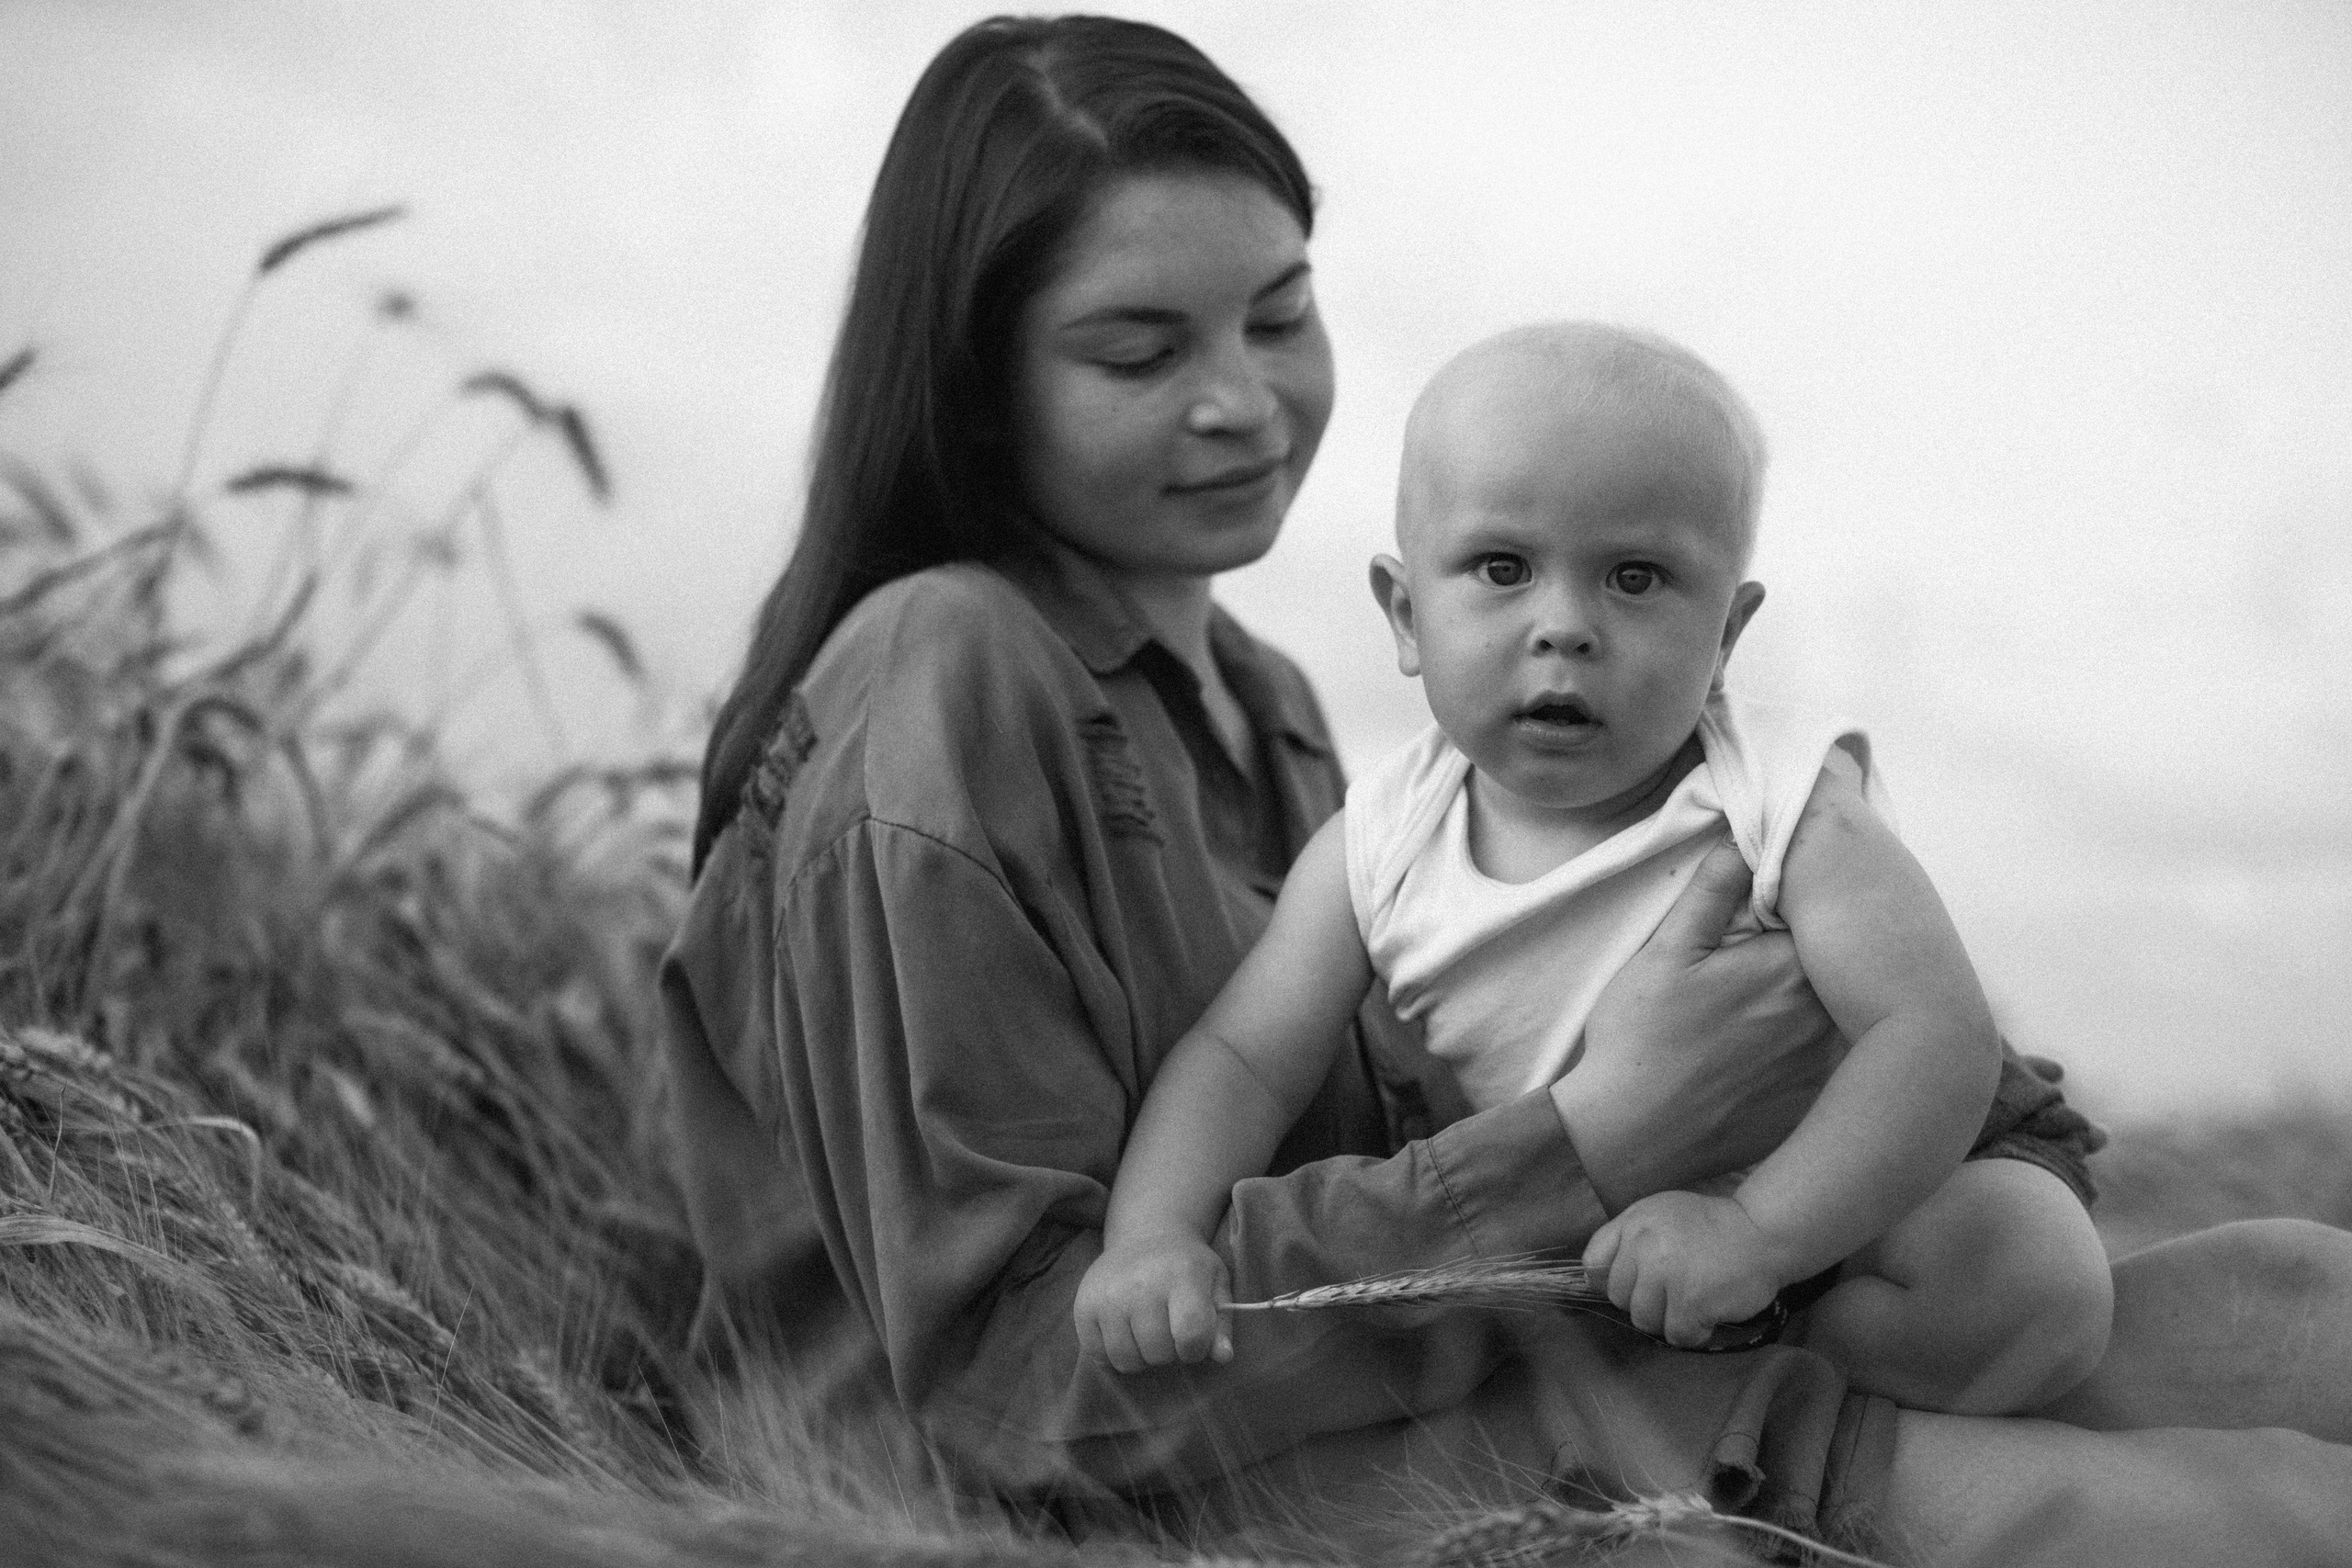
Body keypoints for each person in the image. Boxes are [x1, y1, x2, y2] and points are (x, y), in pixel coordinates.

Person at [661, 13, 2352, 1564]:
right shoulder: (937, 677)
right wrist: (1599, 1136)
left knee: (2291, 1293)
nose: (1244, 401)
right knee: (2229, 1518)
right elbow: (1023, 1384)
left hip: (1517, 1328)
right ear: (976, 379)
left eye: (1281, 310)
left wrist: (1772, 1141)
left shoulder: (1273, 713)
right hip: (1142, 1483)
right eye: (1135, 350)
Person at [1074, 321, 2113, 1416]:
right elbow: (1242, 1058)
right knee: (1506, 1347)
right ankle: (1736, 1379)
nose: (1564, 626)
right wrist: (1151, 1237)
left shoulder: (1780, 795)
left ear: (1725, 632)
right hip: (1616, 1232)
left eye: (1636, 577)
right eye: (1502, 568)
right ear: (1404, 612)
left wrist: (1763, 1231)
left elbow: (1932, 1035)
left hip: (1886, 1175)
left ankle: (1815, 1370)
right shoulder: (1378, 843)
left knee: (2027, 1283)